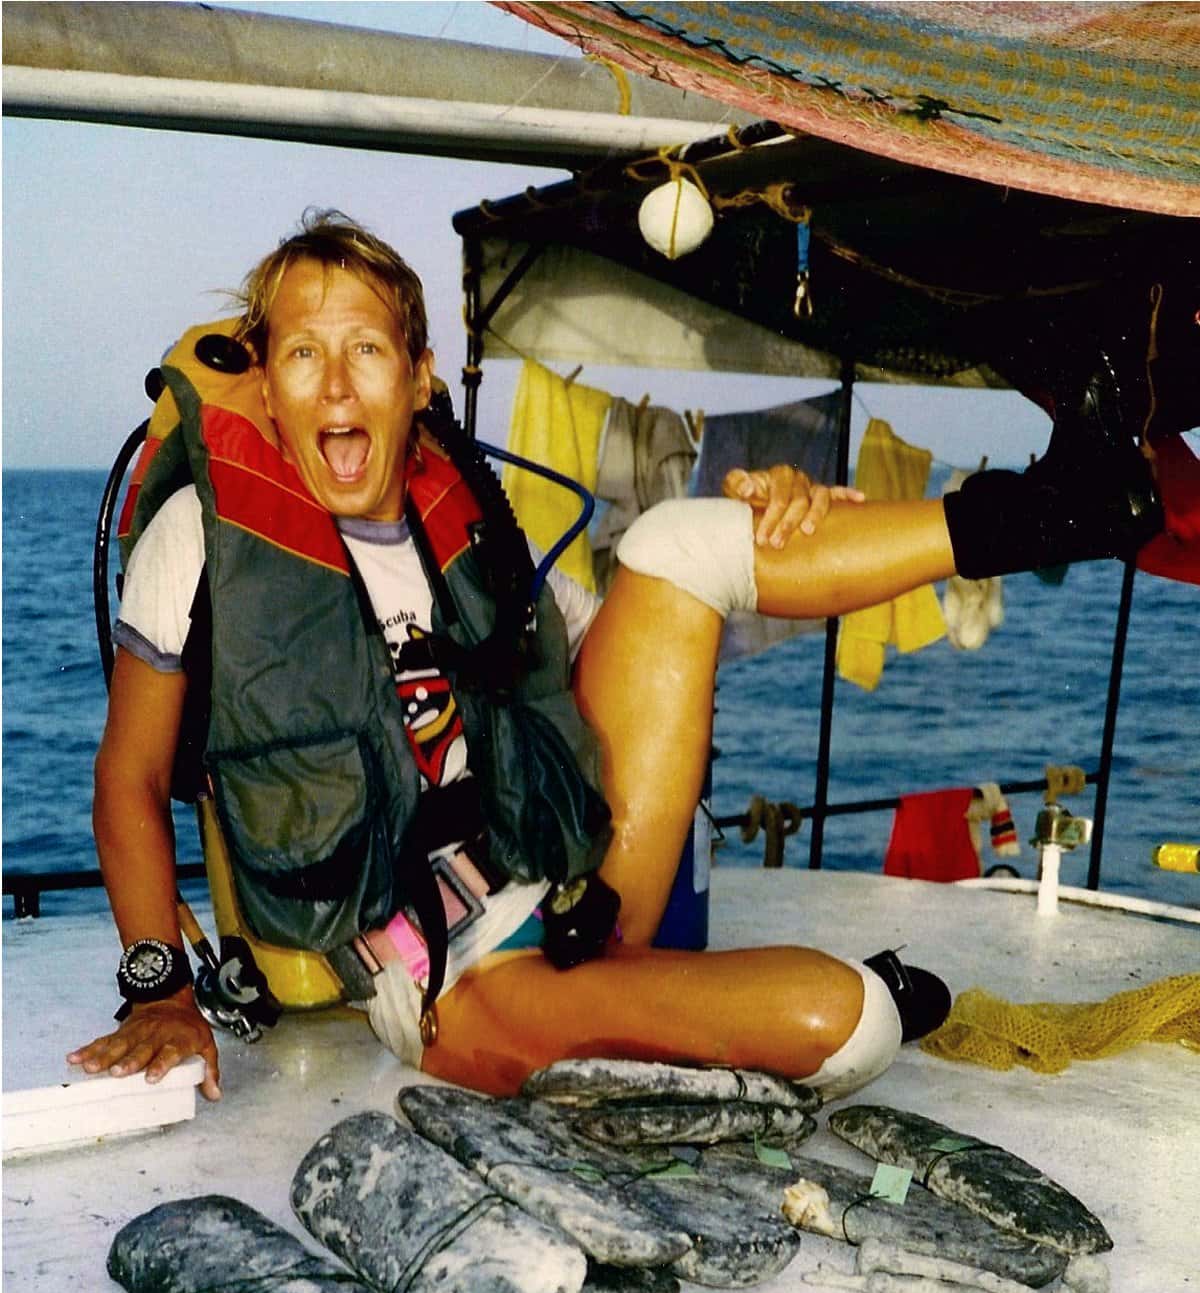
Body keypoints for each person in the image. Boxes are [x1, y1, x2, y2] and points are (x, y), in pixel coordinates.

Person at [68, 210, 1163, 1105]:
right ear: (264, 383)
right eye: (304, 353)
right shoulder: (201, 541)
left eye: (365, 349)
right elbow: (131, 778)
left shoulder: (470, 523)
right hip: (457, 974)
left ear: (419, 377)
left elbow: (644, 648)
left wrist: (783, 511)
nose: (339, 387)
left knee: (674, 540)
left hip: (583, 873)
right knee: (854, 1021)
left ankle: (1056, 508)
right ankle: (774, 1002)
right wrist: (157, 989)